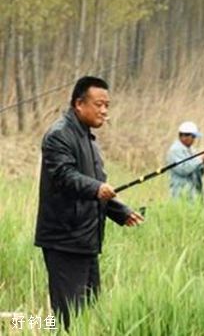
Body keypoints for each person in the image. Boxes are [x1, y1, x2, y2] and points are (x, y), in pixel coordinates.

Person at [34, 76, 144, 330]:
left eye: (107, 105)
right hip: (64, 240)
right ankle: (23, 325)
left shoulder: (89, 139)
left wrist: (120, 211)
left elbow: (99, 186)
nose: (104, 111)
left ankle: (29, 326)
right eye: (99, 104)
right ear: (78, 104)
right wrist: (96, 188)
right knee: (68, 317)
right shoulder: (58, 135)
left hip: (86, 240)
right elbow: (65, 176)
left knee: (90, 310)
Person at [166, 121, 204, 201]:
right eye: (193, 136)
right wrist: (201, 160)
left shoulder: (192, 150)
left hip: (194, 194)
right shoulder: (175, 150)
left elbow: (198, 172)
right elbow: (184, 169)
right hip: (181, 193)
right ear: (184, 136)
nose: (194, 139)